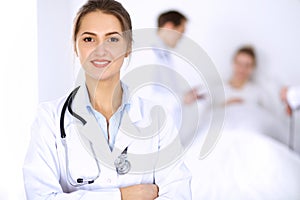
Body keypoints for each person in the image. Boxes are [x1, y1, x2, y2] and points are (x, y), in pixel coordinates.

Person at [22, 0, 191, 199]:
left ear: (128, 47)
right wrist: (123, 196)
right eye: (88, 39)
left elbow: (178, 193)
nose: (100, 50)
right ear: (75, 47)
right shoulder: (49, 119)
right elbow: (40, 196)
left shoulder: (158, 119)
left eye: (112, 40)